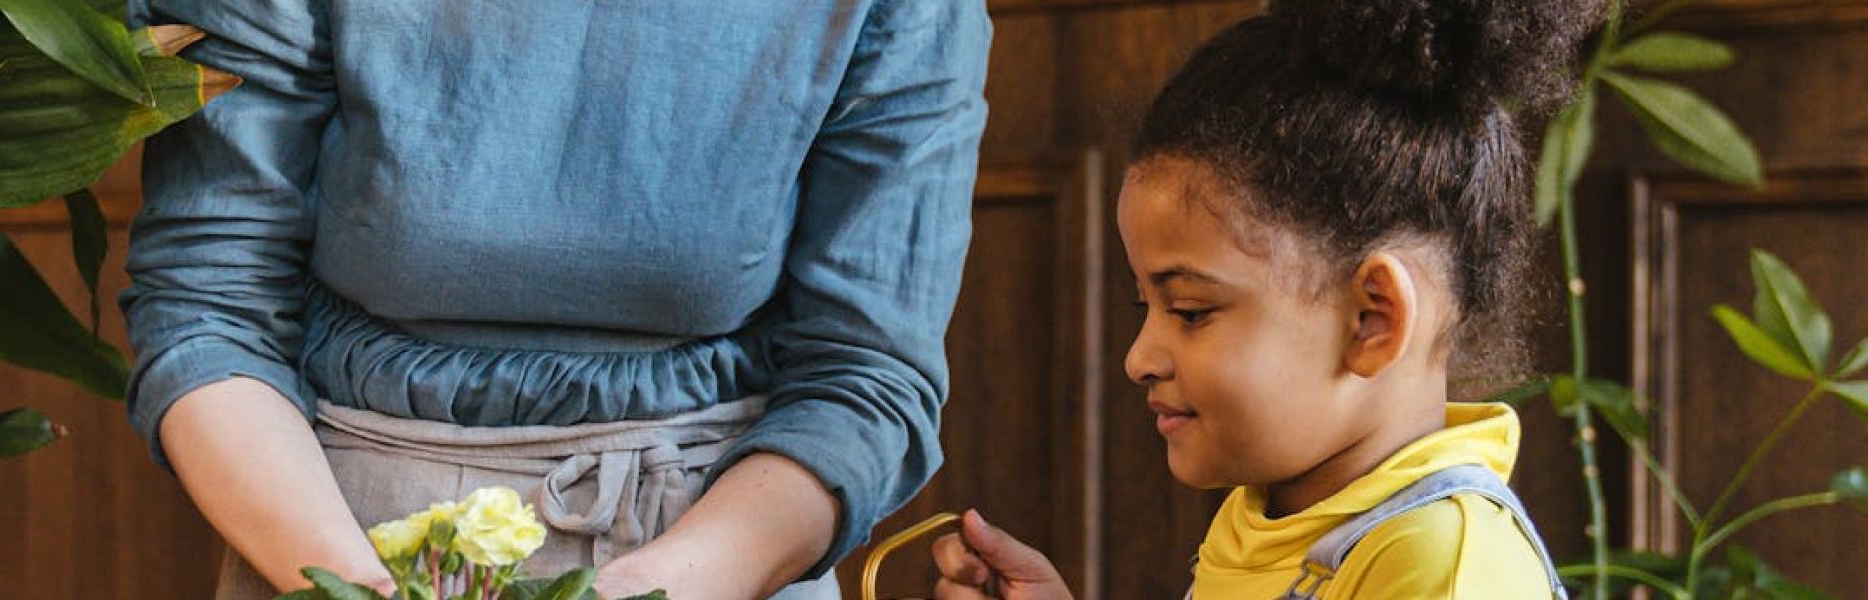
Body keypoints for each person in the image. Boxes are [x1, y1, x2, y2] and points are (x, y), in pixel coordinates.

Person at [118, 1, 991, 598]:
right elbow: (208, 306)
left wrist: (662, 588)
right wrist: (366, 588)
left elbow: (865, 373)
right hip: (334, 542)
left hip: (723, 559)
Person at [930, 0, 1599, 597]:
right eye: (1146, 308)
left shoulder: (1446, 569)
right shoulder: (1267, 516)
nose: (1139, 359)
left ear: (1373, 318)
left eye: (1191, 311)